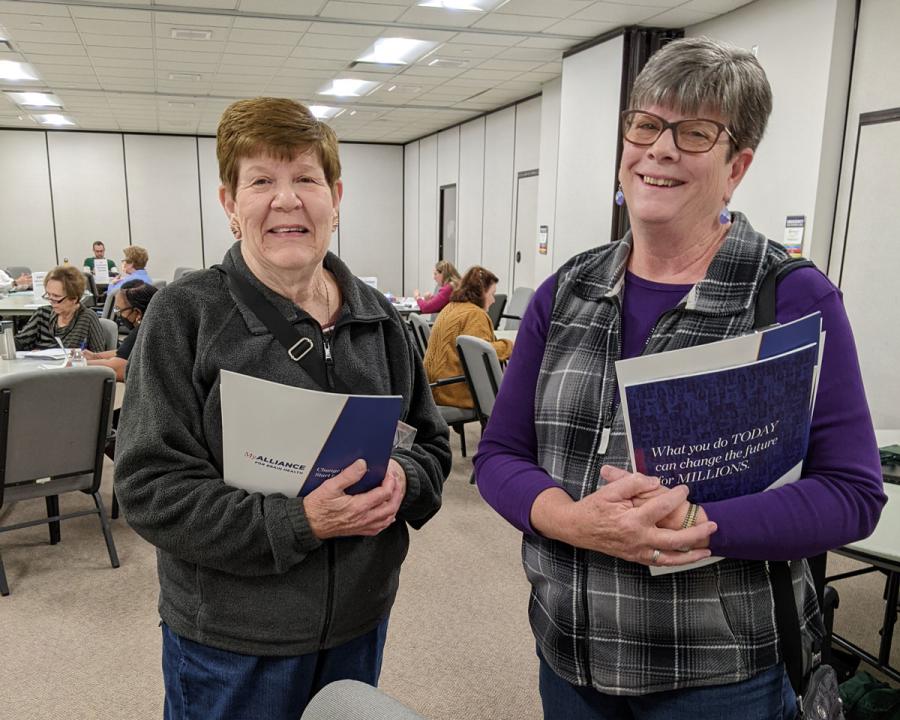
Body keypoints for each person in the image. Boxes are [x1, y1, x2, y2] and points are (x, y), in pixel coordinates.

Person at [474, 37, 886, 719]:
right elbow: (500, 456)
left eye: (694, 133)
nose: (660, 149)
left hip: (716, 678)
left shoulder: (789, 298)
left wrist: (699, 525)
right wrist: (573, 521)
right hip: (569, 656)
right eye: (646, 125)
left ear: (736, 166)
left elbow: (849, 493)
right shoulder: (567, 290)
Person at [113, 97, 450, 720]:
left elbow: (429, 446)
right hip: (232, 643)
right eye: (262, 181)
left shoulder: (379, 319)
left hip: (358, 622)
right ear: (230, 205)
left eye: (306, 180)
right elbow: (149, 488)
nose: (287, 200)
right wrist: (301, 523)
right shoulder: (185, 315)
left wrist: (404, 480)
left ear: (336, 197)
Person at [423, 265, 512, 408]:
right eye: (492, 294)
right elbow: (482, 355)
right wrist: (511, 346)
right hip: (451, 391)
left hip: (432, 387)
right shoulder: (475, 314)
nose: (493, 300)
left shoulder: (450, 307)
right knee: (517, 397)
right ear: (482, 293)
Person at [15, 265, 105, 352]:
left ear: (74, 298)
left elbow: (99, 357)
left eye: (56, 296)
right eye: (48, 295)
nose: (51, 301)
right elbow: (18, 344)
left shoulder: (87, 318)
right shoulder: (42, 314)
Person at [84, 279, 158, 381]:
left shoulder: (143, 331)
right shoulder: (156, 324)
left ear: (137, 313)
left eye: (119, 310)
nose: (117, 315)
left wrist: (74, 365)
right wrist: (96, 356)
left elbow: (117, 368)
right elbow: (126, 351)